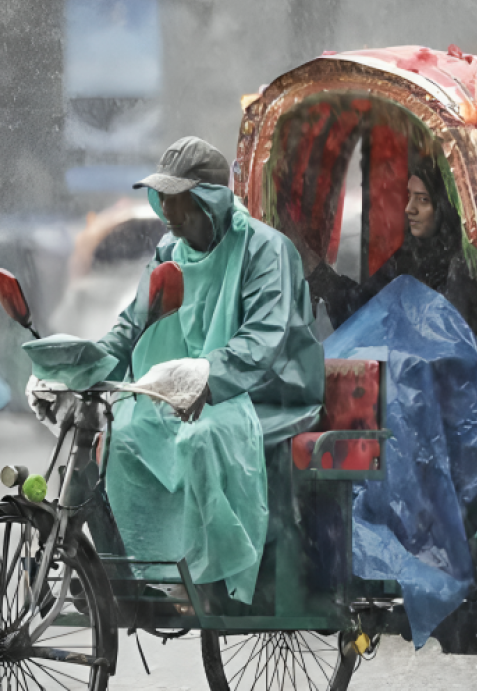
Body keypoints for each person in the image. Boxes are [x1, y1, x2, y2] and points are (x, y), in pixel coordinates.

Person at [95, 136, 324, 604]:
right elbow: (132, 324)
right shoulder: (170, 252)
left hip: (268, 396)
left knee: (199, 440)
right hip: (189, 391)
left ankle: (214, 572)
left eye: (182, 201)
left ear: (210, 201)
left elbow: (261, 342)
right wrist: (81, 367)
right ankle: (156, 569)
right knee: (124, 434)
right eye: (166, 200)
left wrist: (203, 375)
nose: (171, 214)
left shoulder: (265, 251)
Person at [301, 159, 477, 399]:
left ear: (444, 206)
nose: (409, 208)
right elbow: (367, 306)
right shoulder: (407, 257)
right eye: (409, 196)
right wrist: (321, 277)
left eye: (423, 200)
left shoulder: (467, 270)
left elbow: (460, 351)